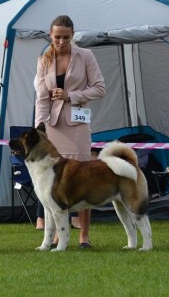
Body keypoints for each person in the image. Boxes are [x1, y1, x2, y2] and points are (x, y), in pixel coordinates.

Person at [34, 15, 106, 248]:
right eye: (57, 37)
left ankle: (84, 235)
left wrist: (71, 96)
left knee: (82, 178)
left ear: (73, 35)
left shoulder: (85, 56)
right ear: (50, 35)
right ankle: (57, 236)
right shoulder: (44, 60)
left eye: (66, 37)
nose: (62, 42)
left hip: (77, 123)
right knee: (55, 182)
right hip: (52, 127)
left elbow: (99, 89)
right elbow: (41, 99)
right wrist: (40, 129)